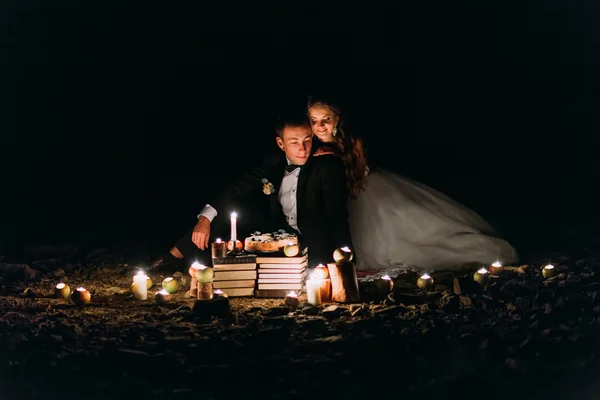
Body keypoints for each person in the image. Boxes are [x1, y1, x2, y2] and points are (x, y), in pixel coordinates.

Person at [306, 96, 519, 272]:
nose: (320, 126)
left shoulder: (351, 142)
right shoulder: (311, 143)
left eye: (326, 119)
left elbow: (360, 171)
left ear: (337, 119)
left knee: (406, 235)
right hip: (345, 198)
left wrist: (339, 159)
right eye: (314, 121)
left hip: (366, 189)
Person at [152, 111, 353, 270]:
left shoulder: (326, 167)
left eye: (307, 140)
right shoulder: (272, 164)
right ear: (280, 143)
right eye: (294, 142)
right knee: (230, 207)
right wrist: (204, 219)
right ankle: (173, 257)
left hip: (311, 240)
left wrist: (345, 258)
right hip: (278, 234)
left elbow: (336, 215)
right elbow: (234, 188)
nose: (303, 148)